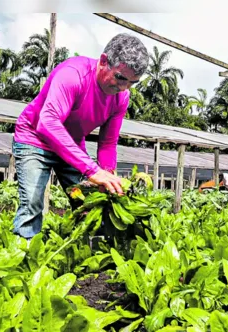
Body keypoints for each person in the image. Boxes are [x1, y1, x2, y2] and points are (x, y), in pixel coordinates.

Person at [11, 33, 149, 240]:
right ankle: (22, 258)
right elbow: (47, 123)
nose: (123, 88)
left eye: (132, 83)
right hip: (34, 139)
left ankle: (87, 251)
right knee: (32, 202)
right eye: (120, 77)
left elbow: (108, 143)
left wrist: (106, 176)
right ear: (103, 61)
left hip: (71, 144)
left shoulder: (121, 97)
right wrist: (92, 169)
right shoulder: (73, 75)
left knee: (87, 200)